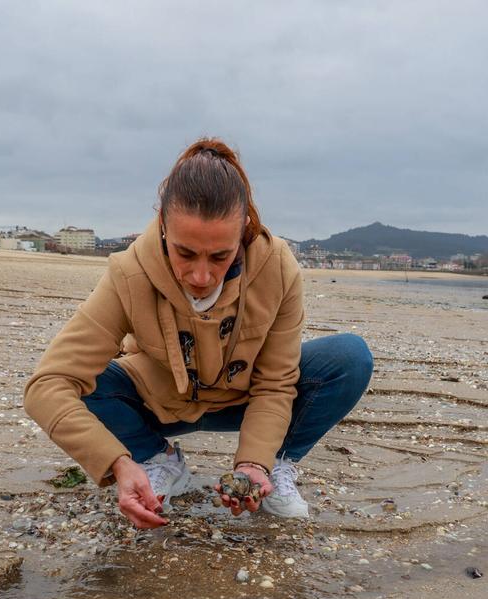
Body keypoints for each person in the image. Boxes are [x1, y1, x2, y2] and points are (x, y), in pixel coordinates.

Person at [24, 138, 372, 529]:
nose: (201, 277)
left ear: (243, 232)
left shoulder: (278, 268)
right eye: (184, 253)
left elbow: (276, 383)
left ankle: (274, 465)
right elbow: (47, 385)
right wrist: (118, 462)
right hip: (159, 405)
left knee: (349, 358)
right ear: (163, 229)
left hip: (244, 399)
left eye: (220, 257)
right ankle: (156, 459)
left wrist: (252, 461)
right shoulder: (129, 272)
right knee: (90, 384)